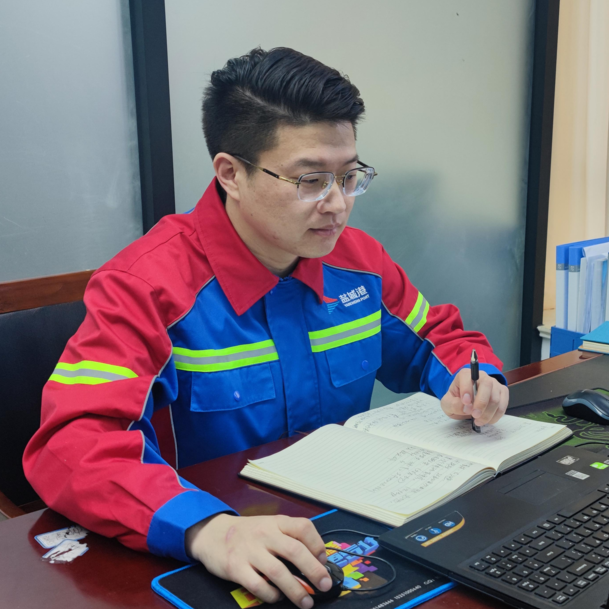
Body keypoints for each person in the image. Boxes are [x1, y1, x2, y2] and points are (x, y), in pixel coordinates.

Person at [24, 47, 509, 609]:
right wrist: (205, 528)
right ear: (231, 173)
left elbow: (437, 339)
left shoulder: (358, 261)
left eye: (349, 176)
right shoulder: (146, 288)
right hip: (213, 550)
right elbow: (73, 443)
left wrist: (474, 378)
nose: (338, 205)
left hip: (345, 534)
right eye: (311, 180)